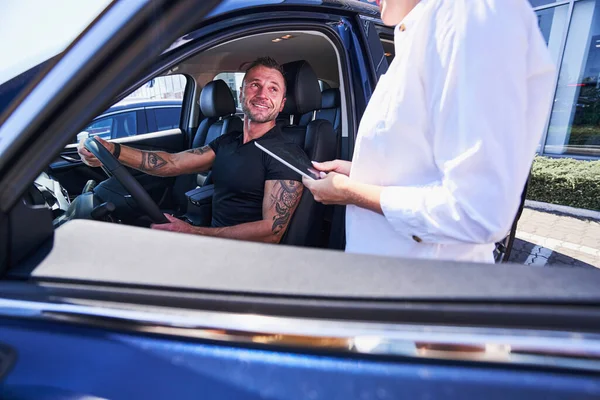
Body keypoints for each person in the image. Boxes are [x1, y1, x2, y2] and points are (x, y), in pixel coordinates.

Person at [302, 0, 556, 262]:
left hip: (426, 286)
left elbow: (477, 212)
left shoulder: (471, 14)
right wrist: (358, 173)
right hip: (389, 277)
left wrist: (351, 192)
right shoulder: (423, 33)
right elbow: (421, 164)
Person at [78, 57, 305, 243]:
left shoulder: (287, 155)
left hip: (244, 257)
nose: (263, 94)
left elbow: (270, 233)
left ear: (282, 103)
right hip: (210, 241)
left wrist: (193, 232)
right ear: (242, 92)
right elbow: (172, 163)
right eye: (255, 85)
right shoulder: (227, 141)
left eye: (273, 89)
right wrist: (112, 150)